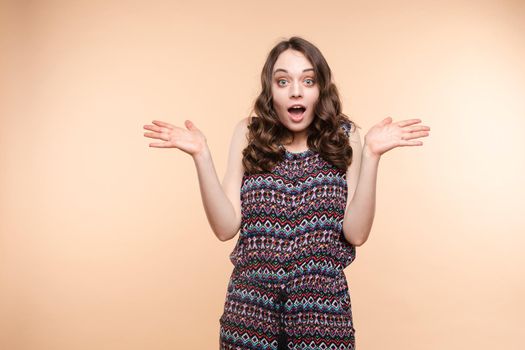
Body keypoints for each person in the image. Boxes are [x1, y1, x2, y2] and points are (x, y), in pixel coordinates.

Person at [143, 36, 430, 350]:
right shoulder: (248, 133)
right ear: (271, 91)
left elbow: (356, 233)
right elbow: (225, 227)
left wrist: (373, 155)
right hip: (249, 315)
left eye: (308, 80)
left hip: (322, 318)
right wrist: (201, 155)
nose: (296, 90)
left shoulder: (345, 137)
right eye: (283, 81)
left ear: (321, 89)